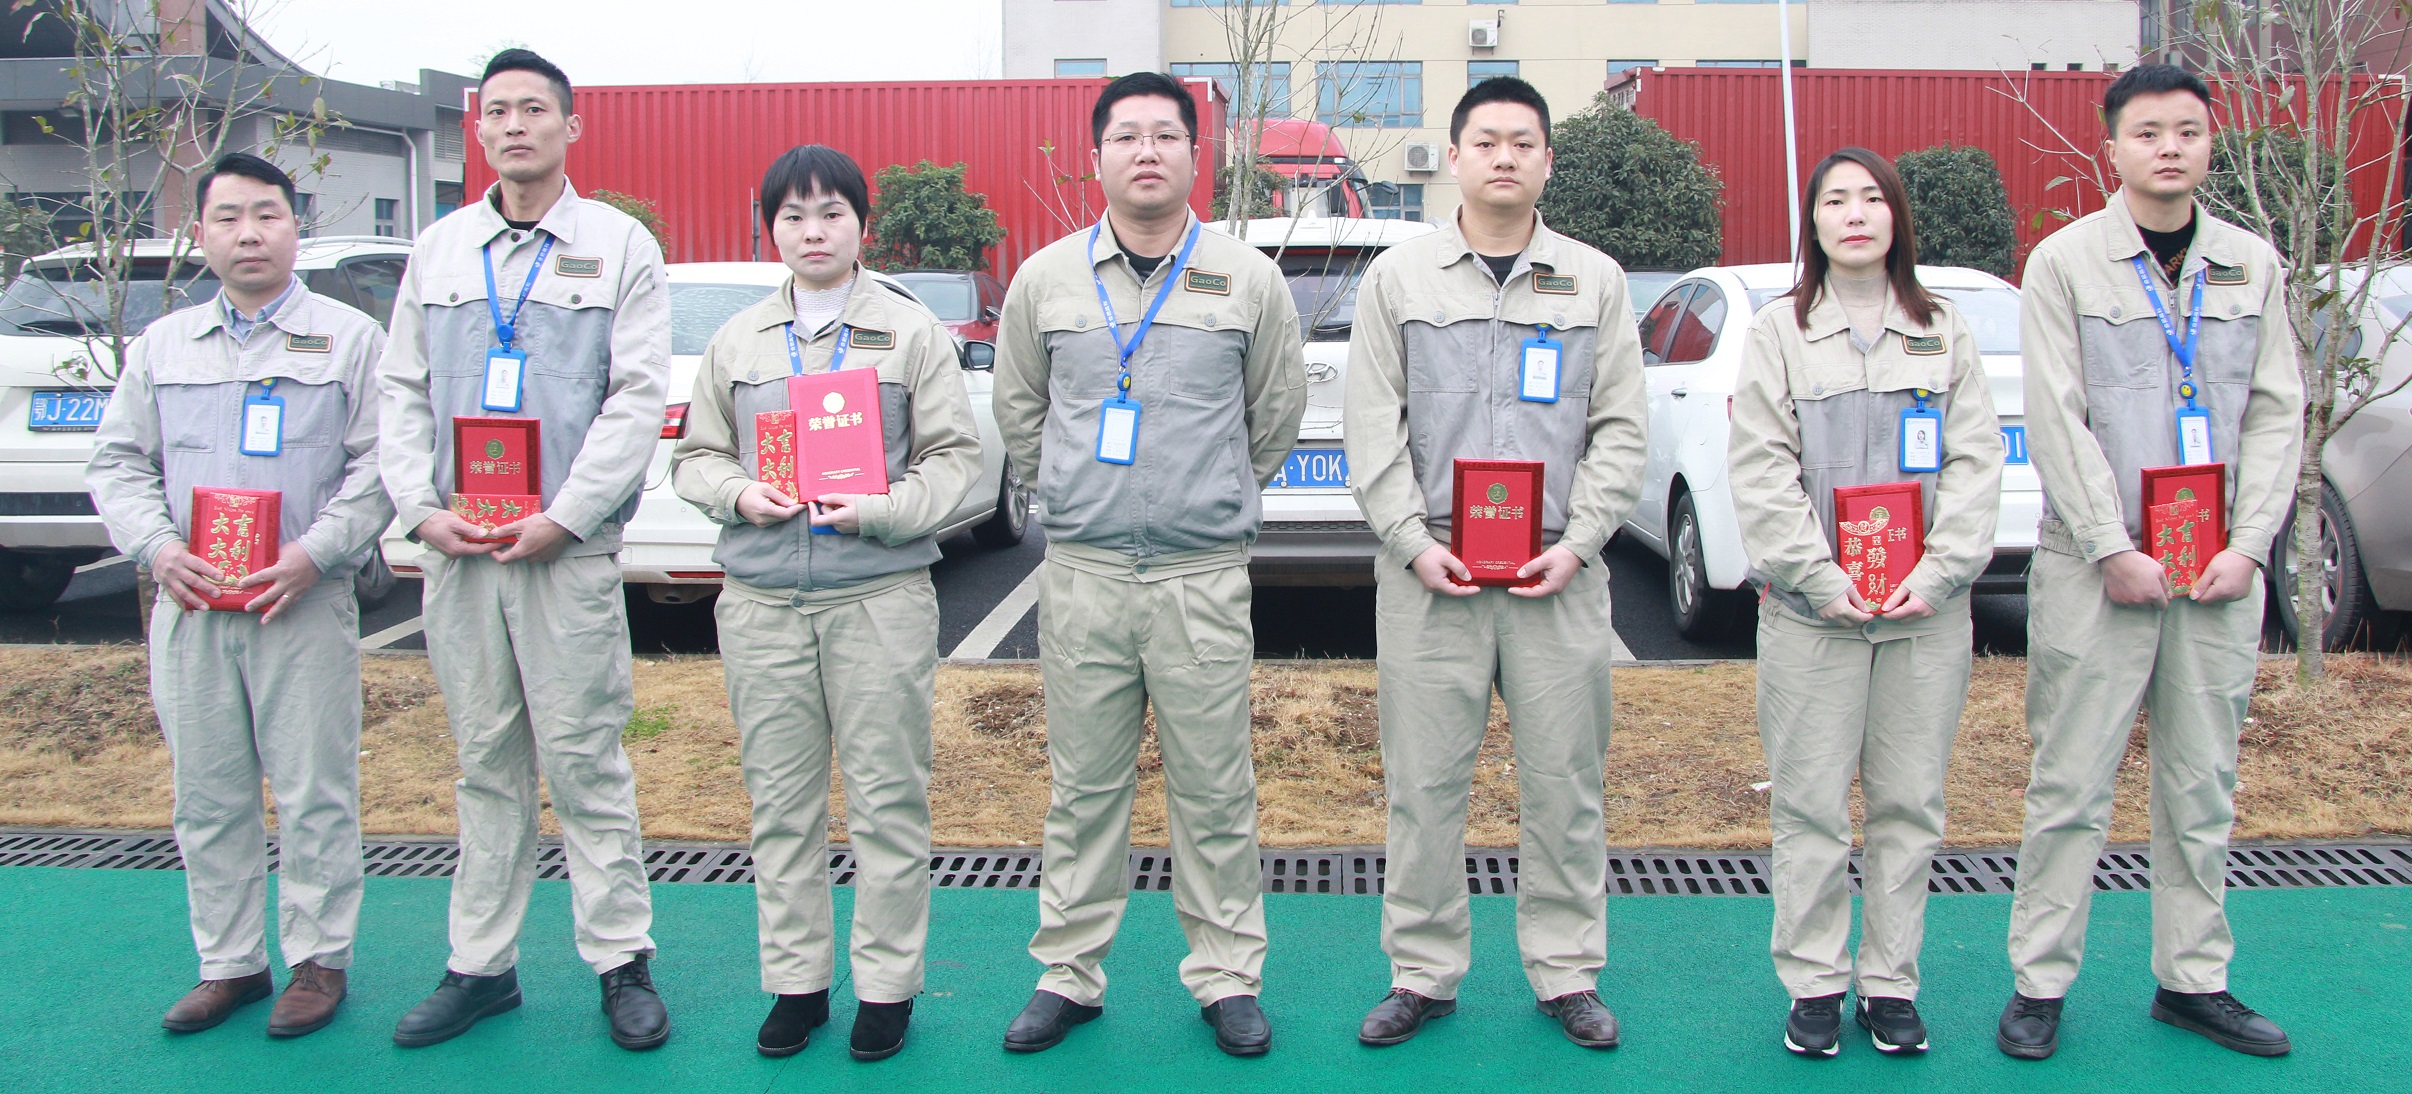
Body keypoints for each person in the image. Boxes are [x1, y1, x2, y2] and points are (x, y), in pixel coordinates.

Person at [991, 70, 1307, 1057]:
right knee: (1083, 789)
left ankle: (1226, 975)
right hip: (1084, 574)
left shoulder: (1246, 278)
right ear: (1097, 157)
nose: (1146, 151)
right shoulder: (1046, 279)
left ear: (1194, 156)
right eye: (1126, 135)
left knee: (1214, 789)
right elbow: (1021, 411)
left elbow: (1274, 415)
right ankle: (1069, 974)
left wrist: (1207, 494)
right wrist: (1076, 492)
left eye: (1165, 135)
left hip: (1198, 578)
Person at [1999, 63, 2303, 1061]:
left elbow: (2277, 413)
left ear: (2211, 142)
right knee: (2070, 782)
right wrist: (2111, 545)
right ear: (2113, 149)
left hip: (2216, 571)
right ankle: (2041, 981)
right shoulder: (2064, 263)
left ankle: (2194, 978)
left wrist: (2250, 545)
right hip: (2097, 568)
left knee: (2202, 782)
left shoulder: (2252, 265)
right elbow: (2057, 415)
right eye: (2147, 132)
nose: (2169, 147)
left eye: (2186, 131)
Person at [377, 48, 674, 1050]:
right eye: (497, 110)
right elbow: (400, 392)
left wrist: (569, 515)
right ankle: (480, 966)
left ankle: (621, 961)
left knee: (586, 758)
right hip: (460, 551)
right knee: (485, 762)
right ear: (478, 129)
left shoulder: (619, 246)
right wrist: (421, 510)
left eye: (534, 109)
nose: (515, 125)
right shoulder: (439, 251)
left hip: (564, 554)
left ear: (569, 127)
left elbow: (636, 397)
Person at [1342, 76, 1646, 1051]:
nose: (1504, 156)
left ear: (1548, 160)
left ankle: (1566, 970)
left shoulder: (1594, 280)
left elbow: (1620, 429)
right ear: (1455, 157)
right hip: (1431, 575)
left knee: (1566, 783)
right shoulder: (1400, 278)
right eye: (1486, 141)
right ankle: (1422, 972)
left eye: (1523, 142)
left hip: (1560, 574)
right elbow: (1371, 428)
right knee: (1424, 785)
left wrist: (1580, 541)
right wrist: (1412, 542)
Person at [669, 145, 980, 1062]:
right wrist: (739, 493)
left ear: (861, 225)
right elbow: (695, 457)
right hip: (763, 601)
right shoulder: (738, 339)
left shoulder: (910, 332)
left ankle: (887, 987)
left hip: (877, 597)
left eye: (832, 213)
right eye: (794, 215)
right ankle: (797, 983)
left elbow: (956, 460)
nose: (814, 231)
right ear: (769, 229)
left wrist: (881, 508)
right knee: (780, 804)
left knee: (888, 801)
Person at [86, 151, 392, 1040]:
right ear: (201, 234)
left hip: (301, 601)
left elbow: (382, 466)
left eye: (267, 214)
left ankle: (319, 961)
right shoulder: (163, 345)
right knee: (207, 793)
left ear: (296, 227)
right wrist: (158, 549)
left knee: (314, 789)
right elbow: (118, 463)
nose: (248, 234)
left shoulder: (349, 339)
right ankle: (229, 963)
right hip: (190, 604)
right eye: (228, 218)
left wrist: (314, 553)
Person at [1727, 147, 2004, 1058]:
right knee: (1810, 807)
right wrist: (1822, 577)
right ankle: (1814, 982)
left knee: (1908, 806)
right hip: (1813, 617)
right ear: (1812, 221)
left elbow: (1976, 462)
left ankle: (1890, 983)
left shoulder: (1944, 329)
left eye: (1872, 198)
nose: (1855, 214)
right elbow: (1761, 468)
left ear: (1897, 217)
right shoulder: (1778, 331)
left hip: (1927, 618)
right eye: (1836, 200)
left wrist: (1939, 573)